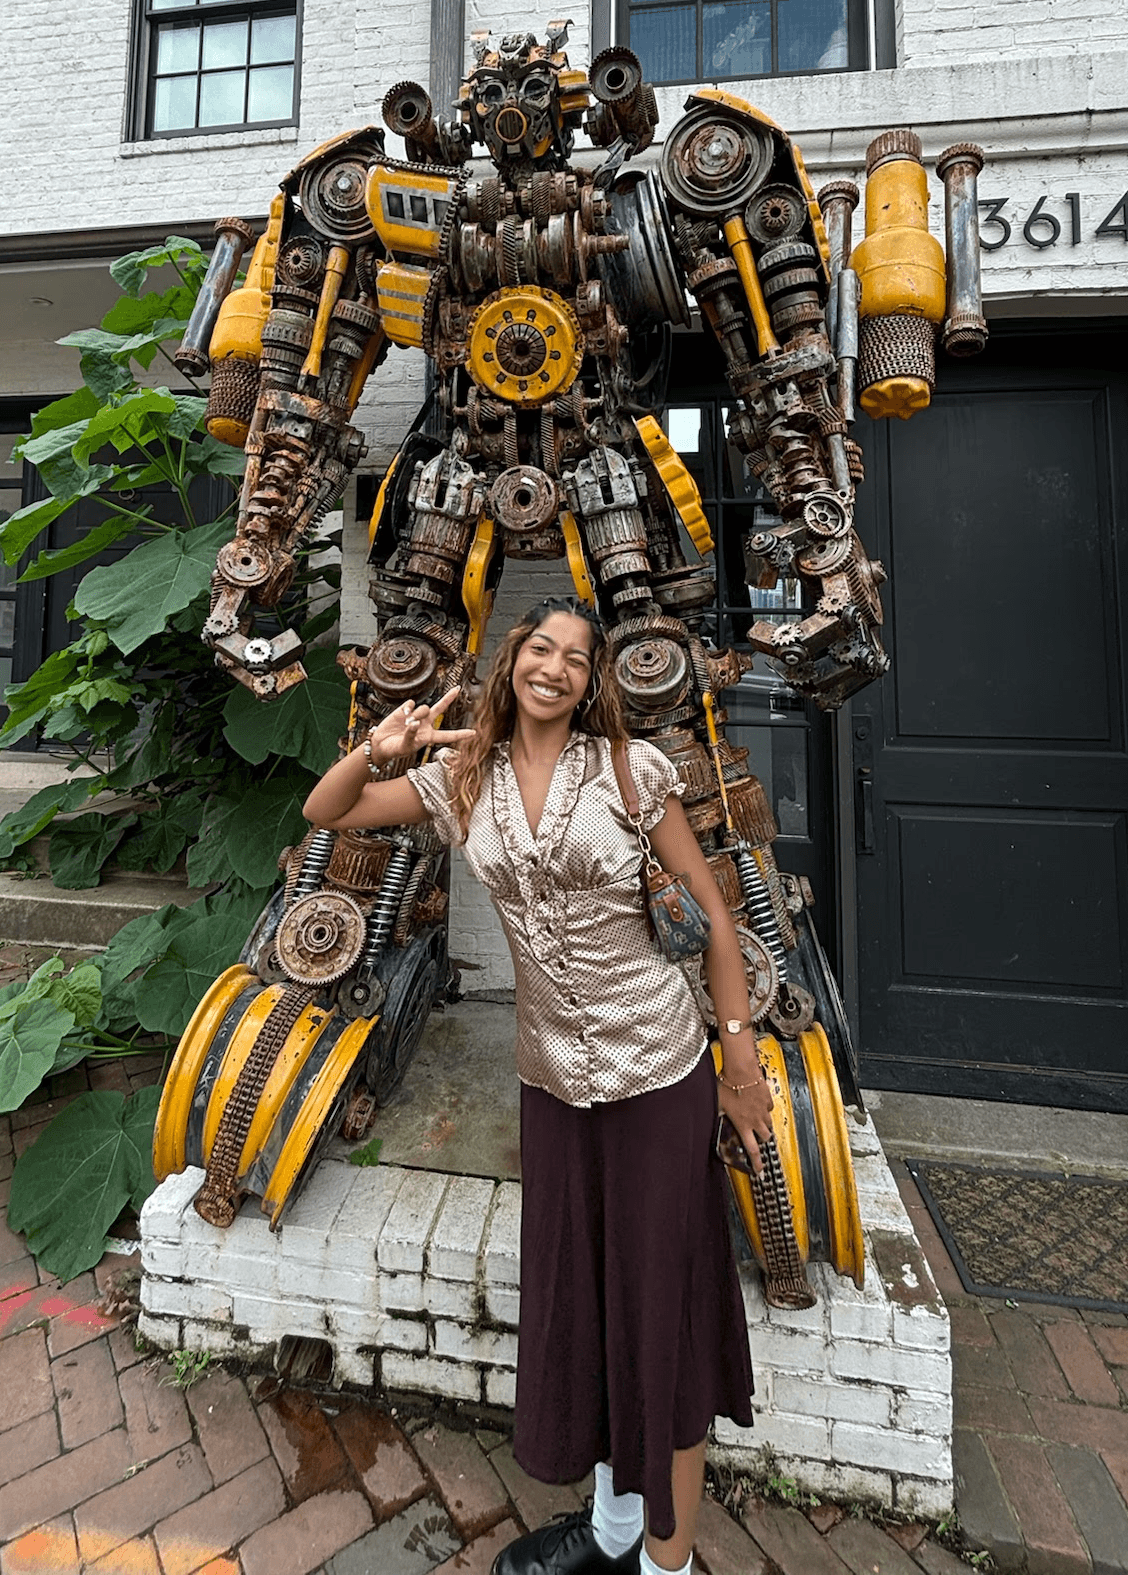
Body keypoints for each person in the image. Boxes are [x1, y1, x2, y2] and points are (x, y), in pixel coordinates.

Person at [302, 597, 775, 1575]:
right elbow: (330, 812)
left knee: (663, 1314)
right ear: (512, 660)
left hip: (657, 1073)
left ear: (592, 679)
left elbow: (715, 919)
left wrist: (740, 1067)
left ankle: (669, 1566)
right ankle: (612, 1531)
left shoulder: (632, 770)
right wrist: (379, 748)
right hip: (554, 1084)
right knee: (586, 1302)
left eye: (576, 657)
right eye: (540, 647)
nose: (554, 667)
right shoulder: (462, 778)